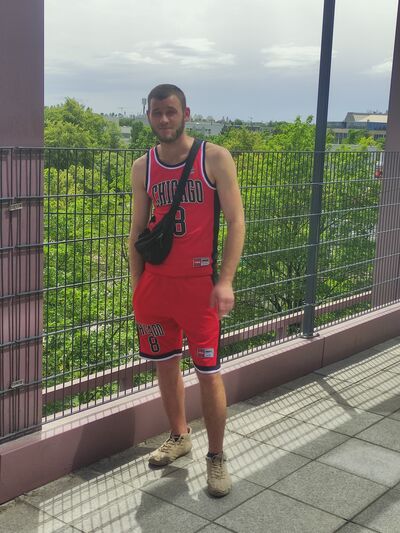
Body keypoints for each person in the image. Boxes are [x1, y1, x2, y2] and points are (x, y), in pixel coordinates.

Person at [128, 84, 245, 497]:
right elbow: (136, 231)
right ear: (148, 116)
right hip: (156, 286)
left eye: (171, 111)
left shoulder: (214, 157)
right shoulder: (142, 166)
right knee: (165, 365)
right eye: (156, 112)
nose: (164, 119)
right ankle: (179, 436)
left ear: (186, 113)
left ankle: (217, 456)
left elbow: (236, 222)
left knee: (208, 373)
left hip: (199, 288)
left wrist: (225, 280)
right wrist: (137, 286)